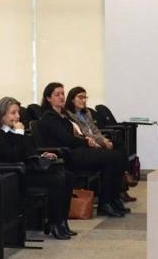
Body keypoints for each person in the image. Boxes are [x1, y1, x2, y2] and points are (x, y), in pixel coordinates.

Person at [0, 97, 75, 239]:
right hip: (15, 175)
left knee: (68, 176)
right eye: (12, 113)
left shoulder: (16, 131)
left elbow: (28, 151)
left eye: (17, 113)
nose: (17, 117)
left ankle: (61, 220)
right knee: (58, 179)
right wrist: (19, 134)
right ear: (2, 114)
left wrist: (42, 154)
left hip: (28, 169)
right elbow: (13, 156)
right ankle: (53, 222)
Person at [37, 82, 127, 217]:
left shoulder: (62, 116)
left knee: (117, 155)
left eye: (62, 94)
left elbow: (75, 135)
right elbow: (67, 139)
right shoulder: (49, 117)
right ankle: (106, 203)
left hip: (76, 151)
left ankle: (113, 199)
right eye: (57, 94)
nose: (61, 97)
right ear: (48, 98)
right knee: (112, 157)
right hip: (67, 155)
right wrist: (85, 141)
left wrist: (86, 140)